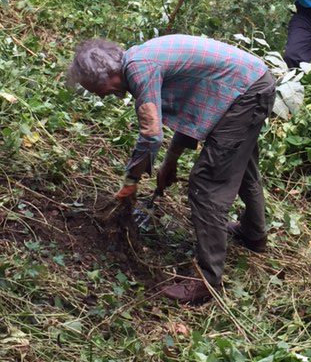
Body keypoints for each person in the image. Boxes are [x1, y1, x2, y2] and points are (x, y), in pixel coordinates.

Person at [67, 35, 275, 305]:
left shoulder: (141, 69)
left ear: (108, 73)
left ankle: (207, 281)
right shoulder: (142, 60)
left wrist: (131, 181)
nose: (100, 94)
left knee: (207, 185)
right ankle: (254, 234)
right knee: (240, 162)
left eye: (96, 87)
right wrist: (170, 163)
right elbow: (192, 111)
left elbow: (151, 135)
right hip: (249, 86)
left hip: (246, 93)